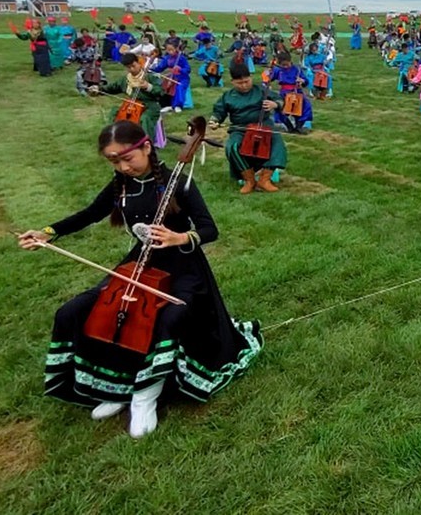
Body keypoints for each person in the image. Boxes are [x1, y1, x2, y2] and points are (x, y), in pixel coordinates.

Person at [16, 121, 261, 437]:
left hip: (184, 268)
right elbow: (89, 214)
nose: (122, 166)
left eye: (126, 158)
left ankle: (145, 396)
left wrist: (178, 237)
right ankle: (115, 387)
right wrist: (48, 232)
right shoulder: (120, 184)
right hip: (139, 265)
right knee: (82, 309)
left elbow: (209, 229)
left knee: (167, 317)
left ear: (147, 147)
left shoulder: (177, 182)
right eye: (113, 161)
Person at [211, 61, 287, 192]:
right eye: (239, 83)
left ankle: (264, 179)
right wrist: (214, 120)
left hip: (264, 126)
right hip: (240, 129)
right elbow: (218, 112)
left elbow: (279, 100)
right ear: (232, 82)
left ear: (251, 78)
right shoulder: (228, 96)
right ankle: (249, 179)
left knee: (277, 142)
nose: (244, 85)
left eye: (247, 81)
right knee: (232, 147)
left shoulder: (261, 90)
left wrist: (275, 105)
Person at [92, 54, 172, 146]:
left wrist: (148, 86)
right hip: (131, 105)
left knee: (145, 118)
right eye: (128, 67)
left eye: (133, 66)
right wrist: (98, 89)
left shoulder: (150, 77)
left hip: (149, 106)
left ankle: (147, 143)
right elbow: (112, 88)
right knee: (115, 112)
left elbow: (161, 92)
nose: (132, 69)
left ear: (139, 63)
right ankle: (112, 138)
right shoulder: (125, 80)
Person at [269, 52, 312, 134]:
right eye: (283, 65)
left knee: (305, 106)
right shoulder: (278, 70)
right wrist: (268, 78)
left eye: (287, 64)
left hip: (296, 91)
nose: (285, 66)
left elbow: (305, 81)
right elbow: (269, 78)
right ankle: (289, 126)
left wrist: (302, 81)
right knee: (281, 108)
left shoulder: (297, 69)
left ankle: (299, 126)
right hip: (284, 93)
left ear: (290, 61)